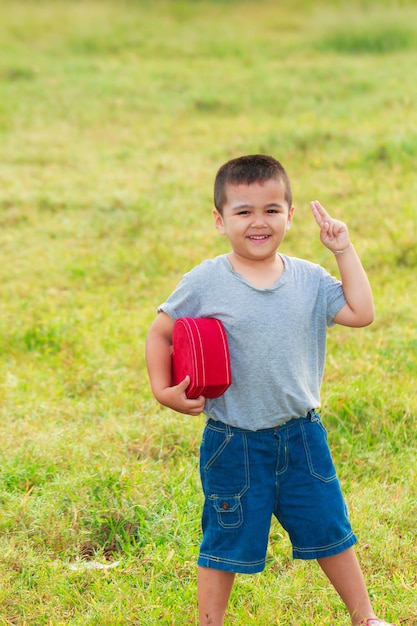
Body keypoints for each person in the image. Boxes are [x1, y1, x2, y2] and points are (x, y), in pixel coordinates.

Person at [145, 155, 396, 626]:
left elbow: (362, 313)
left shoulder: (309, 279)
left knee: (331, 527)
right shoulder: (206, 280)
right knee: (225, 537)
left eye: (271, 210)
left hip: (302, 436)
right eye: (243, 212)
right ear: (220, 220)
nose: (258, 222)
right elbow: (161, 332)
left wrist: (343, 250)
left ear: (290, 215)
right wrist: (163, 390)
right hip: (233, 440)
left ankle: (365, 618)